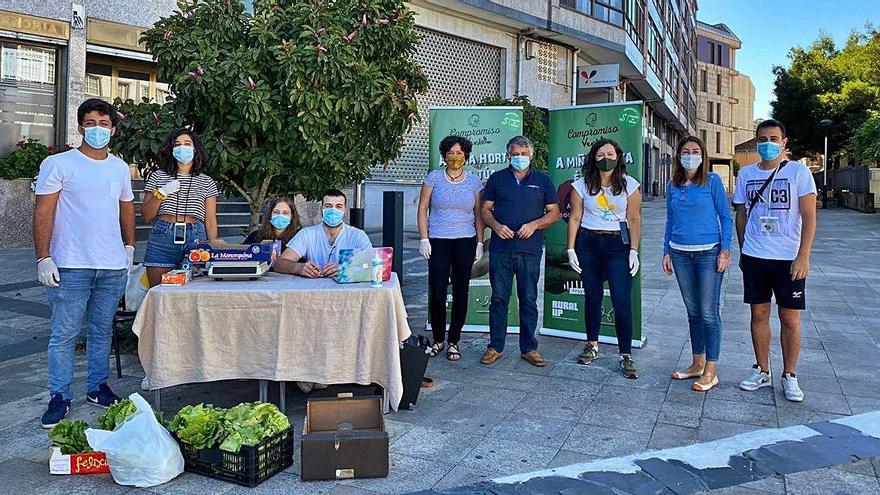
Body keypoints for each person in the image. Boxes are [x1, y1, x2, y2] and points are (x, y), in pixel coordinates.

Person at [33, 98, 136, 428]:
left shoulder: (119, 168)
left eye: (103, 124)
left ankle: (97, 387)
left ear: (113, 130)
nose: (97, 129)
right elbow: (43, 211)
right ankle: (59, 395)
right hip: (70, 264)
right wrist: (43, 257)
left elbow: (126, 209)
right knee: (63, 334)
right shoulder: (59, 164)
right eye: (90, 123)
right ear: (80, 127)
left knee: (101, 330)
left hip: (111, 265)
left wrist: (130, 247)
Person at [733, 119, 816, 402]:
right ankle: (762, 370)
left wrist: (803, 255)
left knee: (789, 318)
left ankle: (790, 374)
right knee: (758, 314)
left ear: (784, 142)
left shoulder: (799, 172)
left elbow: (809, 217)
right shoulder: (745, 174)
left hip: (788, 257)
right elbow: (741, 214)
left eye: (773, 138)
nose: (767, 143)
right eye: (762, 138)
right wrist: (744, 250)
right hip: (756, 255)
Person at [480, 136, 560, 367]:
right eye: (516, 154)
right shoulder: (497, 179)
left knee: (528, 299)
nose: (520, 158)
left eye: (524, 154)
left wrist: (534, 225)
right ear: (508, 155)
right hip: (500, 250)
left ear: (531, 155)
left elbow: (554, 213)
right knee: (498, 299)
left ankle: (529, 348)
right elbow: (484, 209)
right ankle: (495, 346)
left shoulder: (543, 181)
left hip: (530, 250)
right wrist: (496, 226)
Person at [566, 138, 642, 379]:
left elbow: (634, 218)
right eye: (600, 154)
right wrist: (571, 249)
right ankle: (592, 344)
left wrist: (634, 250)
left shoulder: (630, 185)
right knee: (592, 296)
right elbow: (575, 218)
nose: (605, 157)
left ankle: (625, 354)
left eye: (610, 153)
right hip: (588, 243)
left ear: (618, 156)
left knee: (621, 300)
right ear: (593, 158)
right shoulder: (581, 185)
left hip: (618, 245)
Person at [663, 136, 733, 392]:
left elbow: (725, 218)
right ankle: (697, 363)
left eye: (695, 151)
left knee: (708, 312)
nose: (690, 155)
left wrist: (725, 250)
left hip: (708, 253)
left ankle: (711, 371)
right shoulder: (673, 184)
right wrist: (666, 250)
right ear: (678, 156)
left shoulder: (712, 181)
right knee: (693, 312)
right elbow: (670, 220)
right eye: (685, 151)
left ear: (703, 155)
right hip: (680, 253)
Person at [417, 135, 484, 362]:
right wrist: (424, 238)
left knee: (460, 291)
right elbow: (423, 207)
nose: (455, 157)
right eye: (451, 153)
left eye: (459, 152)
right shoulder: (434, 177)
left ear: (466, 155)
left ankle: (454, 340)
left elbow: (478, 214)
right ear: (444, 155)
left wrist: (479, 242)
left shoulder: (474, 181)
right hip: (438, 240)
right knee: (437, 291)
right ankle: (438, 339)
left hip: (465, 240)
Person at [142, 129, 219, 287]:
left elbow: (210, 219)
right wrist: (162, 193)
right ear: (171, 150)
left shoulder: (207, 181)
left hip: (195, 235)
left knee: (193, 289)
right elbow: (146, 216)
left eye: (187, 143)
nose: (182, 147)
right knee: (158, 291)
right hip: (163, 235)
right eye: (177, 144)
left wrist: (213, 247)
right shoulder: (158, 176)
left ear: (195, 148)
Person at [274, 189, 372, 279]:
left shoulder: (358, 236)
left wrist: (346, 269)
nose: (333, 210)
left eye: (338, 206)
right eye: (328, 206)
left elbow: (375, 264)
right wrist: (298, 267)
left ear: (345, 210)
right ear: (321, 209)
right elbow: (279, 263)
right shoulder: (307, 234)